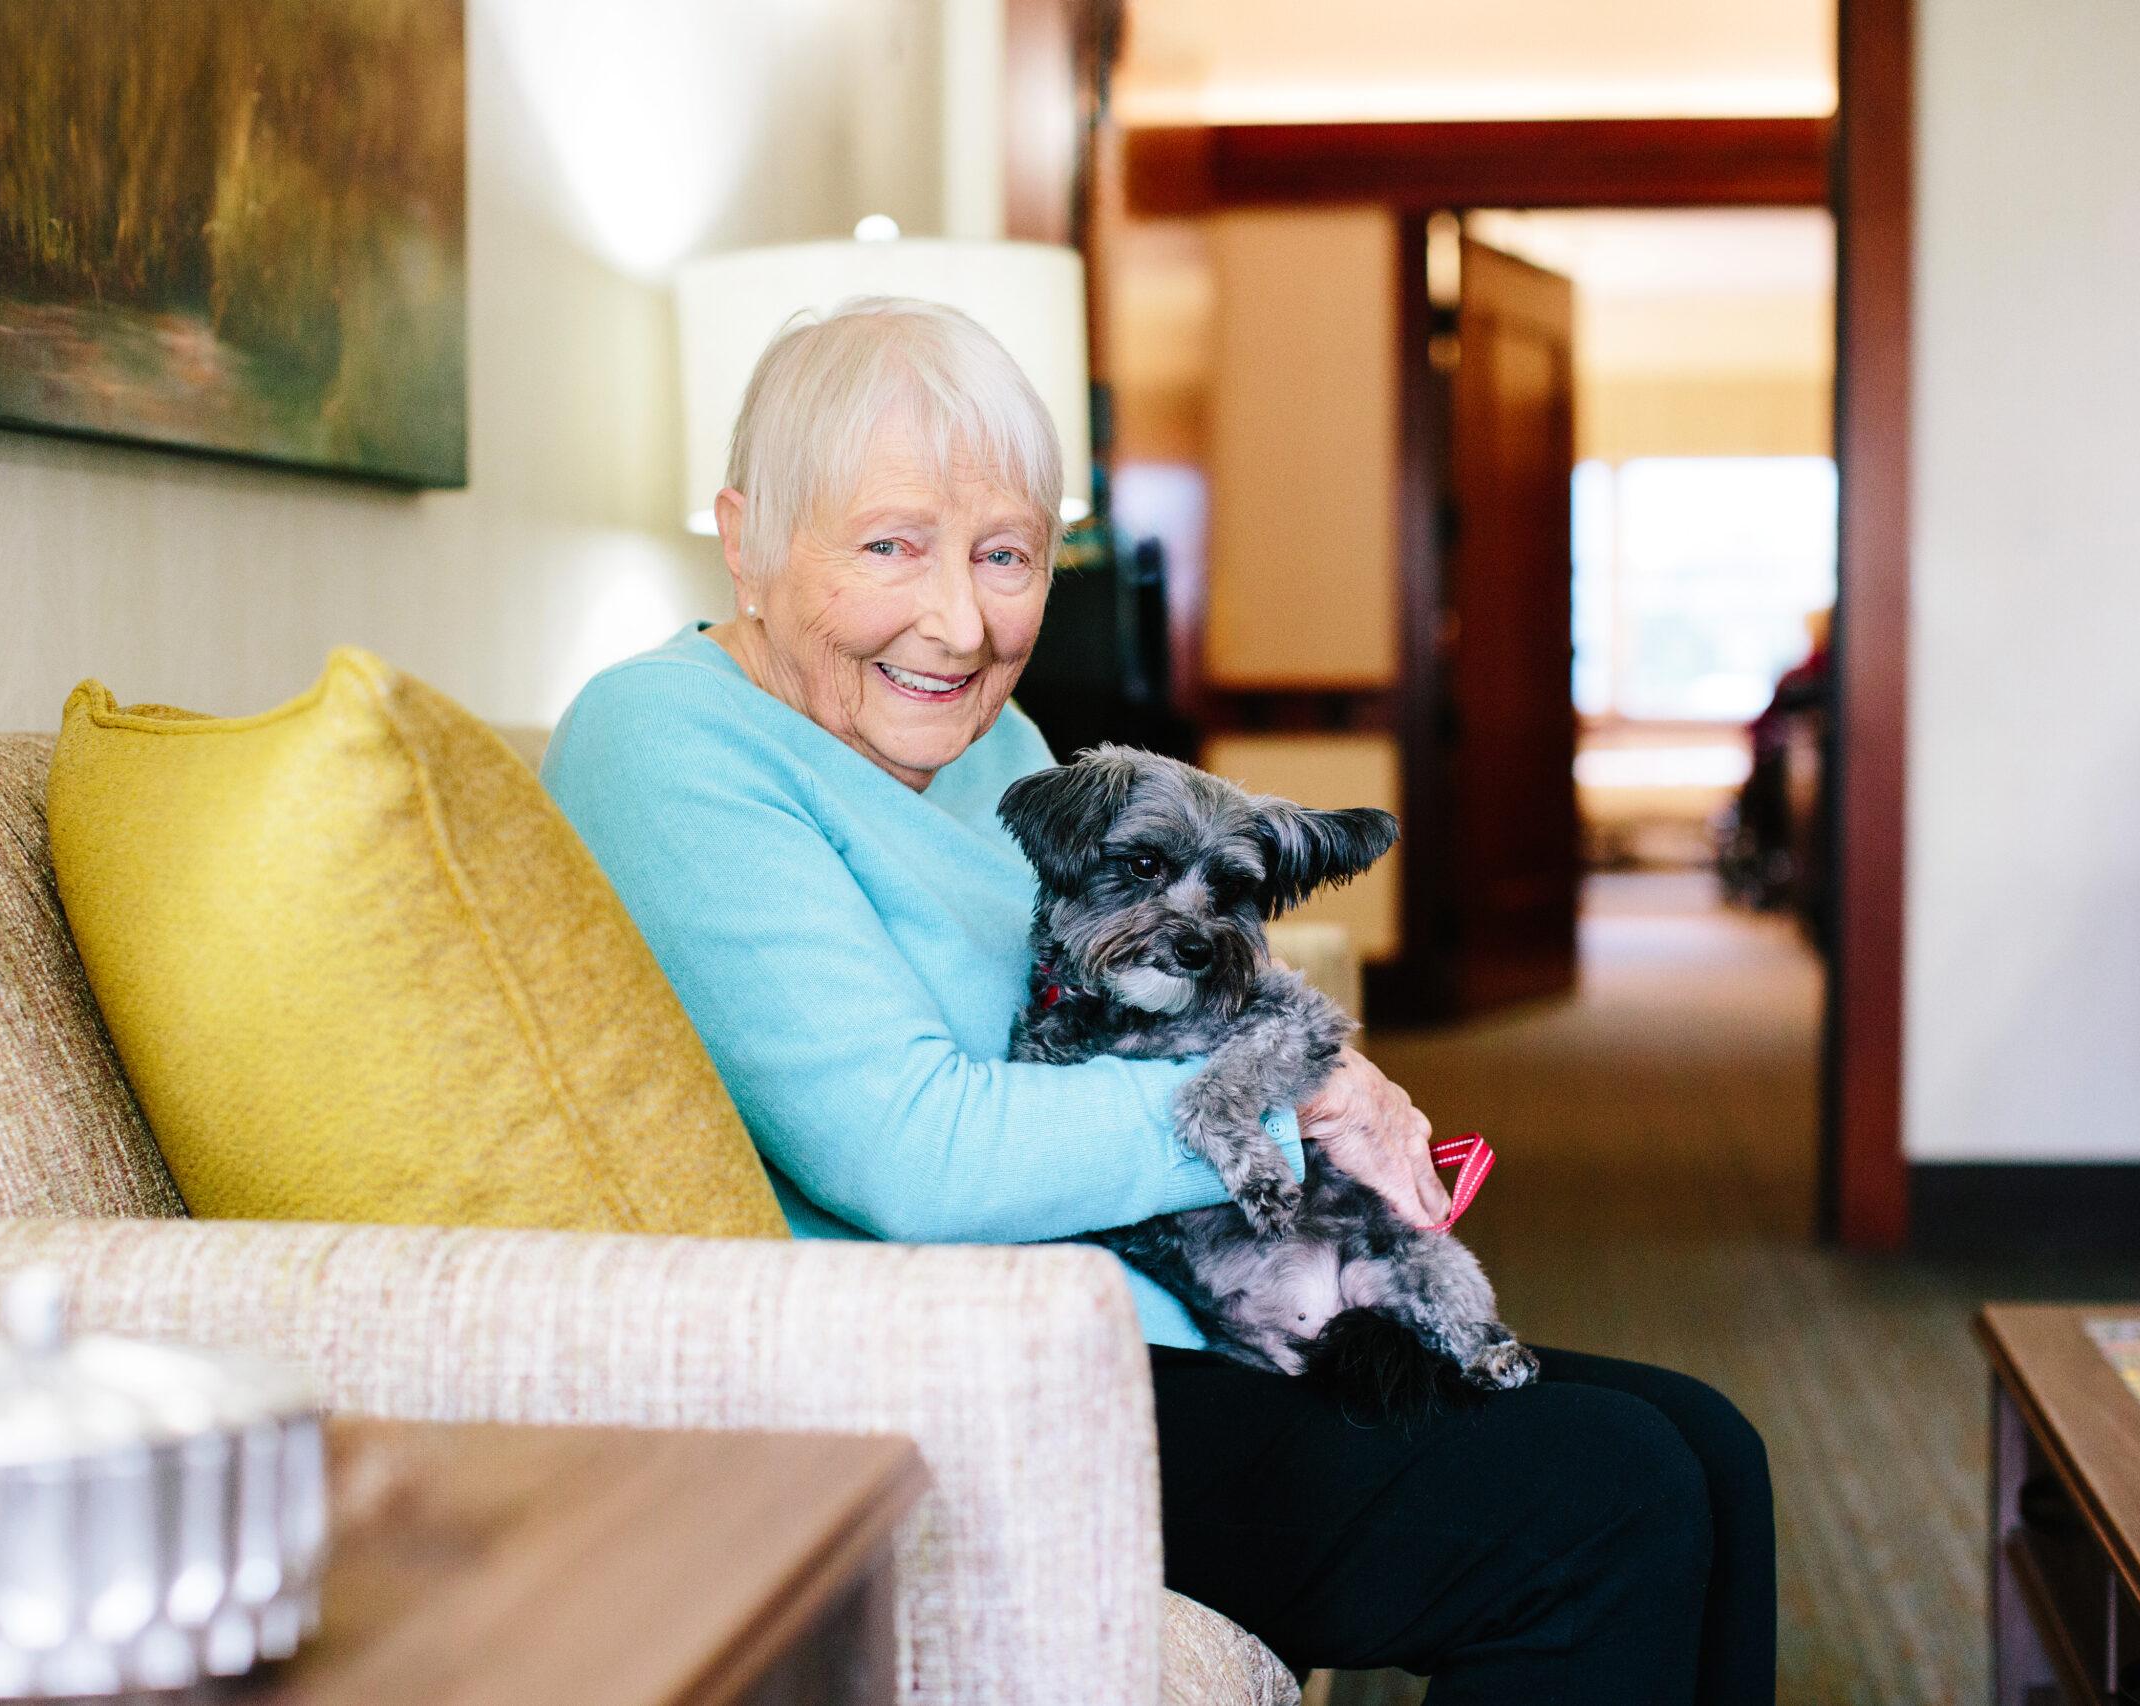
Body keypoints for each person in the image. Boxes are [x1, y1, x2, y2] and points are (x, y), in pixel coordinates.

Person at [543, 296, 1774, 1705]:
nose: (960, 622)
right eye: (890, 545)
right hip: (946, 1375)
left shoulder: (980, 735)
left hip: (1148, 1305)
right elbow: (910, 1152)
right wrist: (1285, 1105)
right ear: (746, 535)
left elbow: (1143, 983)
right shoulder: (664, 739)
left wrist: (1312, 1070)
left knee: (1709, 1443)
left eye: (1005, 554)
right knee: (1607, 1498)